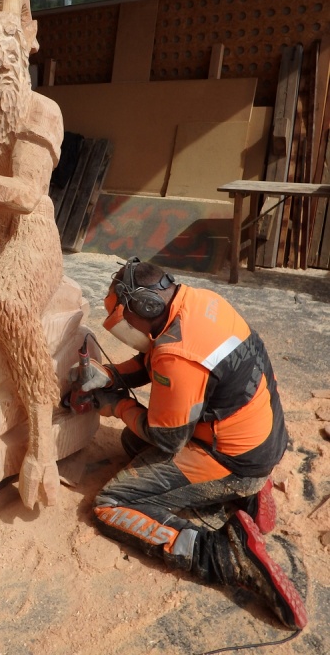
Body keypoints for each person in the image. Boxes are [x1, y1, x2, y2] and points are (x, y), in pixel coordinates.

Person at [69, 256, 307, 631]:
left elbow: (167, 437)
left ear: (146, 306)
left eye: (125, 320)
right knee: (132, 441)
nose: (125, 328)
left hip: (235, 459)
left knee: (111, 505)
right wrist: (112, 375)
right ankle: (247, 493)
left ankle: (226, 555)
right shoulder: (199, 302)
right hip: (263, 434)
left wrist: (116, 405)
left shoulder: (177, 354)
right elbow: (154, 358)